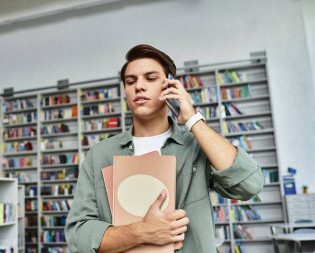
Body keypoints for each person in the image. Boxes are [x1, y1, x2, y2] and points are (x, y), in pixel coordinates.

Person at [65, 44, 264, 252]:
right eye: (130, 81)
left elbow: (250, 185)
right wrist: (142, 232)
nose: (138, 87)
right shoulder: (99, 155)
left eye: (150, 78)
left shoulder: (196, 146)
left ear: (169, 85)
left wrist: (193, 119)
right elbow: (78, 235)